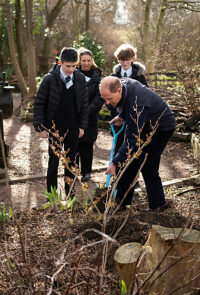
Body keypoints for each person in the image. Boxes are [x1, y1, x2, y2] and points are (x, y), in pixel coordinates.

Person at [99, 76, 176, 212]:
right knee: (129, 163)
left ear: (119, 91)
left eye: (109, 98)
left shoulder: (137, 106)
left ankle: (158, 205)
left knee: (148, 165)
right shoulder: (124, 84)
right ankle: (122, 202)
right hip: (146, 123)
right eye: (104, 98)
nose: (107, 103)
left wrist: (115, 163)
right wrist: (122, 116)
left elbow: (131, 139)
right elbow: (126, 104)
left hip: (162, 127)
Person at [33, 47, 88, 196]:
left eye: (74, 66)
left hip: (73, 127)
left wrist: (82, 126)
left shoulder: (80, 78)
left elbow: (84, 105)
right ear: (60, 63)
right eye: (68, 66)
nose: (71, 69)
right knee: (53, 162)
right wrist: (40, 127)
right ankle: (52, 196)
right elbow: (39, 103)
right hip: (54, 128)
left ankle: (70, 194)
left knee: (71, 162)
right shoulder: (49, 79)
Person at [108, 43, 149, 187]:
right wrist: (116, 111)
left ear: (133, 59)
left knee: (133, 148)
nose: (124, 63)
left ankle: (133, 179)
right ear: (118, 60)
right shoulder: (114, 77)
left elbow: (146, 97)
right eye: (121, 60)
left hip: (135, 119)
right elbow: (108, 98)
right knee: (119, 148)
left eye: (127, 60)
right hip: (118, 120)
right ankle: (117, 177)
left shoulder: (139, 77)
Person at [76, 48, 104, 182]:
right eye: (83, 61)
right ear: (79, 61)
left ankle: (86, 172)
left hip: (91, 117)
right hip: (74, 116)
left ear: (92, 61)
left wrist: (88, 110)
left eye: (88, 60)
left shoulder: (97, 75)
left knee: (87, 145)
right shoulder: (74, 73)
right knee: (74, 144)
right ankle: (73, 170)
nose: (86, 63)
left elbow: (100, 97)